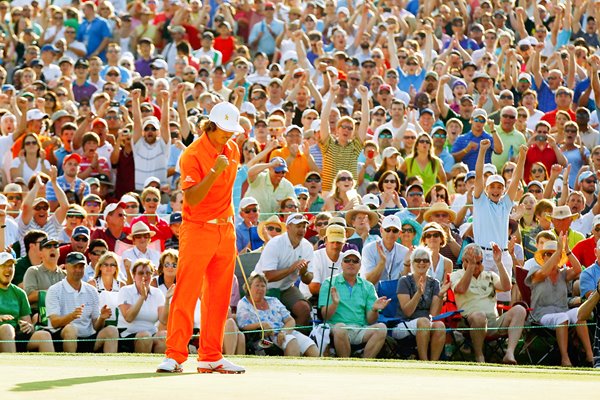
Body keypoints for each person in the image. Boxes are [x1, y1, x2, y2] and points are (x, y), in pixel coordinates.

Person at [159, 102, 245, 374]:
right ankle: (175, 355)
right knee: (186, 292)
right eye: (225, 131)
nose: (229, 136)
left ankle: (211, 355)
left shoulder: (232, 148)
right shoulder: (192, 154)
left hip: (225, 229)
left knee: (219, 297)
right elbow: (193, 198)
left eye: (232, 131)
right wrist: (213, 172)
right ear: (211, 126)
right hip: (198, 228)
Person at [451, 244, 526, 364]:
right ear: (464, 261)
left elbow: (506, 287)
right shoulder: (456, 275)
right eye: (473, 262)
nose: (477, 265)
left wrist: (499, 263)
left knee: (520, 309)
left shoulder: (489, 275)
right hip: (470, 322)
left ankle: (509, 353)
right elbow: (461, 289)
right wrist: (470, 268)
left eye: (479, 262)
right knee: (479, 316)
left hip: (493, 322)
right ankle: (479, 356)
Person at [525, 236, 594, 367]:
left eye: (553, 254)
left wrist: (567, 251)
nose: (551, 257)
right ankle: (565, 358)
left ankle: (590, 356)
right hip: (541, 315)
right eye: (548, 254)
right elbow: (544, 273)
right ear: (543, 257)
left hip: (562, 311)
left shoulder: (563, 273)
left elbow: (578, 270)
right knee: (562, 317)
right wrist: (557, 252)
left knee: (580, 313)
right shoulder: (535, 272)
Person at [473, 138, 526, 302]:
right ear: (486, 189)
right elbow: (478, 176)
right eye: (492, 187)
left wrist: (522, 156)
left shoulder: (505, 204)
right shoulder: (480, 200)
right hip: (481, 255)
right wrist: (482, 152)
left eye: (499, 187)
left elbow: (516, 178)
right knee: (482, 299)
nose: (496, 190)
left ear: (503, 189)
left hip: (502, 256)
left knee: (503, 299)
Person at [319, 249, 390, 358]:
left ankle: (364, 363)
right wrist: (334, 304)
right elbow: (325, 316)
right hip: (336, 327)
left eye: (355, 261)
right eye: (347, 260)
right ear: (341, 264)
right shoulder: (329, 283)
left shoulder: (368, 286)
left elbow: (371, 320)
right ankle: (346, 364)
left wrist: (374, 309)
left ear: (360, 265)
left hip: (360, 328)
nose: (351, 263)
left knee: (381, 328)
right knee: (340, 328)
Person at [46, 252, 118, 353]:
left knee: (112, 330)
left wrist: (102, 318)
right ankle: (71, 365)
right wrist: (71, 316)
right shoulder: (55, 290)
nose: (78, 270)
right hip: (62, 338)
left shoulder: (92, 290)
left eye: (81, 267)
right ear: (66, 267)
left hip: (88, 337)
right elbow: (54, 323)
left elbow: (96, 326)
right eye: (75, 267)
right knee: (71, 329)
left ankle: (109, 368)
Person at [254, 213, 314, 329]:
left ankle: (294, 338)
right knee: (270, 317)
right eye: (298, 226)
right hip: (263, 286)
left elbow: (308, 280)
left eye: (304, 226)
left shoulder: (307, 247)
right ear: (288, 227)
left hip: (286, 288)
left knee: (304, 309)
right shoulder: (274, 244)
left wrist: (304, 272)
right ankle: (272, 343)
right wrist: (292, 268)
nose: (302, 230)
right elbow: (268, 276)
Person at [237, 272, 318, 357]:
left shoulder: (273, 301)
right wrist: (262, 325)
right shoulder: (244, 303)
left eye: (263, 286)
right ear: (248, 287)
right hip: (267, 337)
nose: (260, 289)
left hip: (284, 332)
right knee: (291, 341)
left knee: (310, 344)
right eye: (257, 285)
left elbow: (290, 320)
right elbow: (243, 325)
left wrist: (283, 332)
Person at [393, 246, 449, 361]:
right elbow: (407, 312)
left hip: (425, 324)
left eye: (425, 260)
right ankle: (424, 362)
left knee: (439, 325)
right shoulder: (404, 281)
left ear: (430, 263)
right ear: (412, 263)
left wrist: (439, 296)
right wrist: (418, 293)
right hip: (404, 323)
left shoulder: (434, 283)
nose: (422, 263)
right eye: (418, 260)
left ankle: (433, 363)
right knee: (424, 321)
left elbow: (433, 314)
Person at [0, 252, 54, 353]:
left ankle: (53, 368)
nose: (8, 269)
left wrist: (29, 327)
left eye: (11, 266)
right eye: (3, 266)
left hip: (15, 334)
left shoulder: (19, 293)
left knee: (44, 335)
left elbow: (27, 323)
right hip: (5, 332)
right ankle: (11, 367)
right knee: (7, 328)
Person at [119, 259, 168, 354]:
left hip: (151, 332)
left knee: (164, 335)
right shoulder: (125, 290)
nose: (145, 276)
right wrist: (142, 297)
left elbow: (164, 320)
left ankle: (158, 367)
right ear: (133, 276)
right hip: (128, 334)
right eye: (141, 273)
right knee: (145, 336)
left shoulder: (157, 293)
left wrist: (168, 300)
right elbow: (129, 318)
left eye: (148, 273)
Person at [360, 215, 409, 285]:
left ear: (400, 233)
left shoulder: (405, 251)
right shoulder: (369, 249)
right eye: (387, 230)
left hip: (397, 293)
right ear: (381, 230)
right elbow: (368, 282)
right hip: (372, 294)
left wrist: (407, 264)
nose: (391, 233)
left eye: (395, 230)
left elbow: (405, 281)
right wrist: (382, 262)